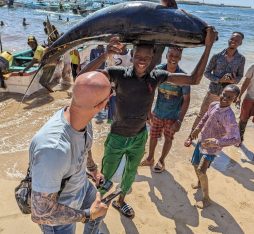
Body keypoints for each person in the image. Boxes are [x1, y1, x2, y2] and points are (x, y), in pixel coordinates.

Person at [80, 28, 217, 218]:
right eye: (139, 55)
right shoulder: (118, 74)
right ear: (133, 54)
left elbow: (193, 79)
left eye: (147, 56)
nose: (142, 59)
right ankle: (98, 203)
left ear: (153, 57)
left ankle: (120, 202)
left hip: (139, 136)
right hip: (118, 137)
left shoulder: (156, 77)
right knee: (107, 175)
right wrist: (106, 53)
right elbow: (82, 78)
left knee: (130, 174)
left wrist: (208, 46)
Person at [30, 71, 110, 234]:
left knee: (100, 208)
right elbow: (40, 213)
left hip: (82, 186)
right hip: (59, 212)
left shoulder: (81, 115)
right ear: (102, 106)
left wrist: (93, 170)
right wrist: (87, 215)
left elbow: (84, 147)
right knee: (94, 214)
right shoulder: (53, 149)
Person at [184, 32, 245, 147]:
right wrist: (219, 80)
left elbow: (240, 76)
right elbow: (206, 73)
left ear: (240, 43)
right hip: (213, 91)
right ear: (229, 39)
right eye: (232, 39)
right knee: (202, 114)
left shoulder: (241, 59)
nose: (234, 41)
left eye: (237, 40)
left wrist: (233, 81)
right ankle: (191, 136)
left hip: (227, 96)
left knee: (219, 120)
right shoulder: (217, 56)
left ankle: (213, 142)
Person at [190, 85, 241, 209]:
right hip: (202, 141)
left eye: (230, 97)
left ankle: (206, 199)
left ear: (234, 100)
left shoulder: (229, 116)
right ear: (221, 93)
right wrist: (197, 128)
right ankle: (200, 182)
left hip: (212, 148)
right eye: (224, 94)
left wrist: (216, 141)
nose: (225, 98)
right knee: (195, 164)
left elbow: (236, 138)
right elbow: (206, 116)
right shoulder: (213, 104)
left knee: (202, 170)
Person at [140, 47, 190, 172]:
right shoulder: (158, 70)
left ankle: (162, 160)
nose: (173, 58)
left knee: (168, 138)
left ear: (180, 58)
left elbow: (187, 99)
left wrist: (179, 121)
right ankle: (150, 158)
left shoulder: (183, 76)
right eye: (171, 55)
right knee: (153, 136)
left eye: (177, 56)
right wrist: (148, 112)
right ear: (166, 55)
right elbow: (150, 91)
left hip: (173, 116)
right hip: (157, 112)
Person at [147, 0, 178, 72]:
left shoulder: (168, 18)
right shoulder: (157, 13)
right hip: (146, 56)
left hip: (155, 60)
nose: (170, 4)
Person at [236, 64, 254, 143]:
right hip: (249, 97)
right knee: (243, 119)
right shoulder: (253, 67)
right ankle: (239, 138)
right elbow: (246, 83)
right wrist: (239, 96)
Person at [90, 45, 107, 123]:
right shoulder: (93, 50)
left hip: (104, 73)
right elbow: (91, 62)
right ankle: (95, 106)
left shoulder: (106, 50)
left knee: (102, 90)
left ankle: (102, 106)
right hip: (95, 73)